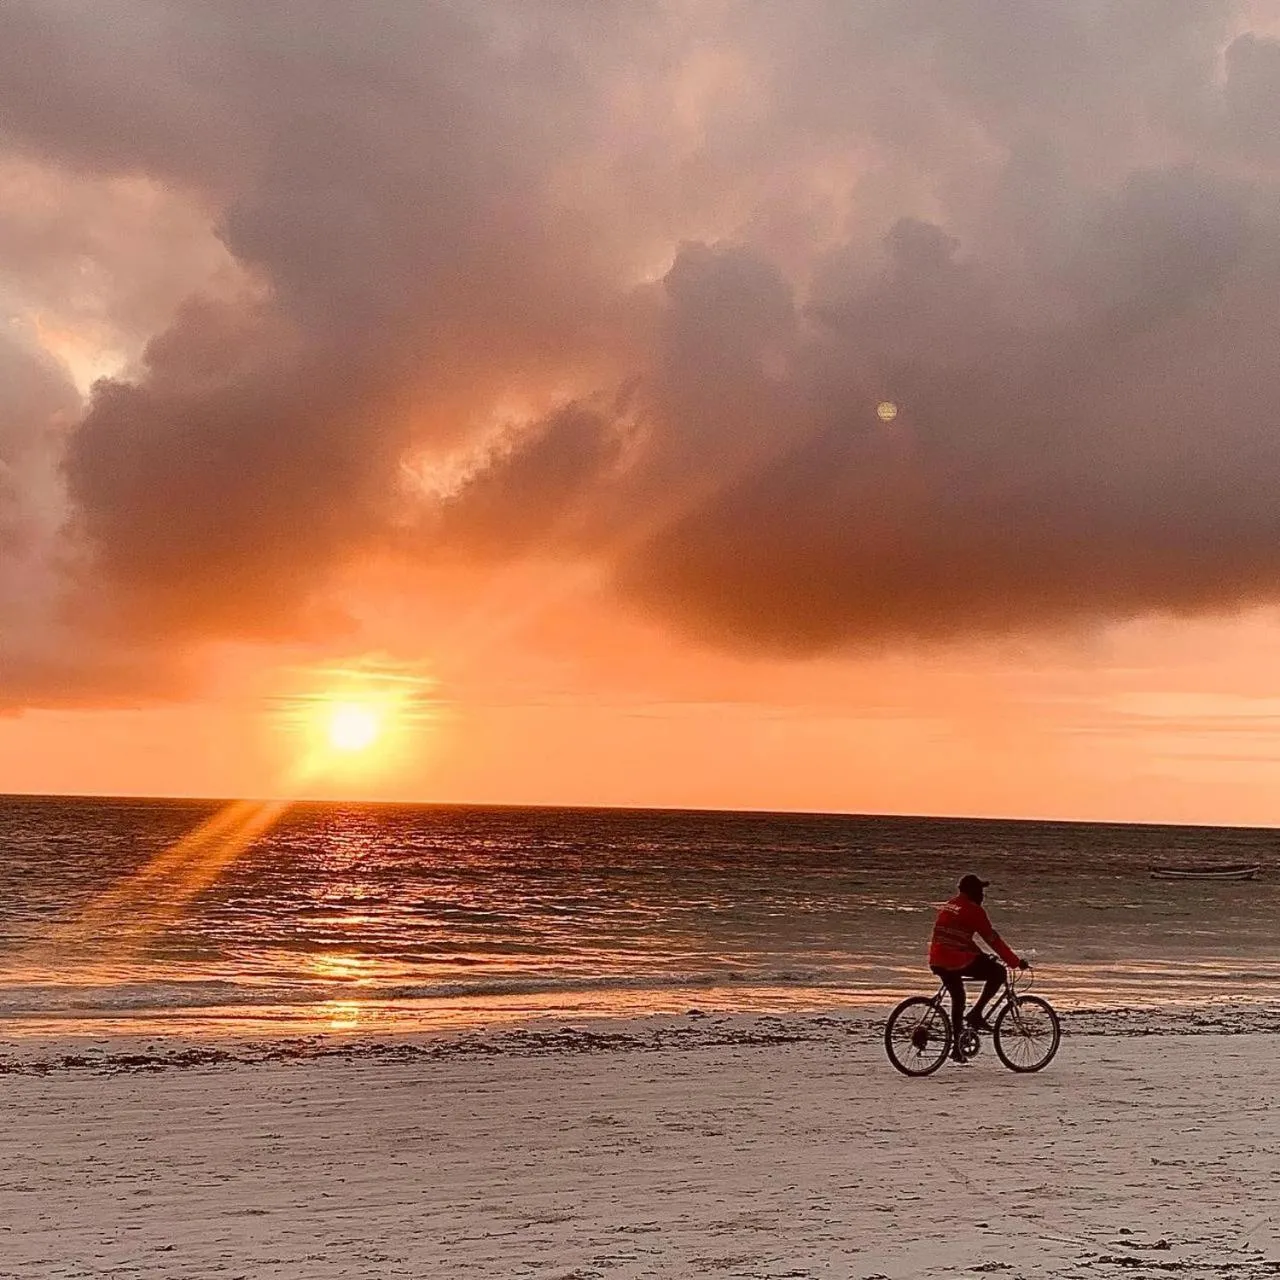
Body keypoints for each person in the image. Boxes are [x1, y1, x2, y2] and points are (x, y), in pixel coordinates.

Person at [929, 873, 1028, 1061]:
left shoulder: (950, 905)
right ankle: (976, 1014)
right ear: (973, 892)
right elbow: (992, 939)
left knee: (958, 997)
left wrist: (980, 955)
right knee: (998, 972)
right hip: (954, 959)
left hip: (937, 959)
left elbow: (960, 939)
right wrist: (1015, 962)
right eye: (980, 891)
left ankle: (957, 1048)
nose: (983, 895)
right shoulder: (974, 911)